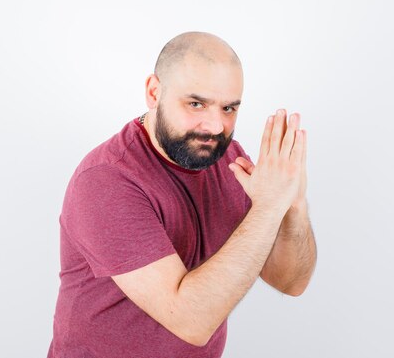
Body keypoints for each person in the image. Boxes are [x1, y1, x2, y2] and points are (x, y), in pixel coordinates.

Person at [47, 32, 317, 358]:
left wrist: (293, 205)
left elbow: (289, 282)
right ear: (154, 92)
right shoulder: (107, 180)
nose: (216, 126)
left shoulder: (229, 158)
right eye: (196, 104)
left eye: (229, 108)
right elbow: (190, 320)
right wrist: (270, 206)